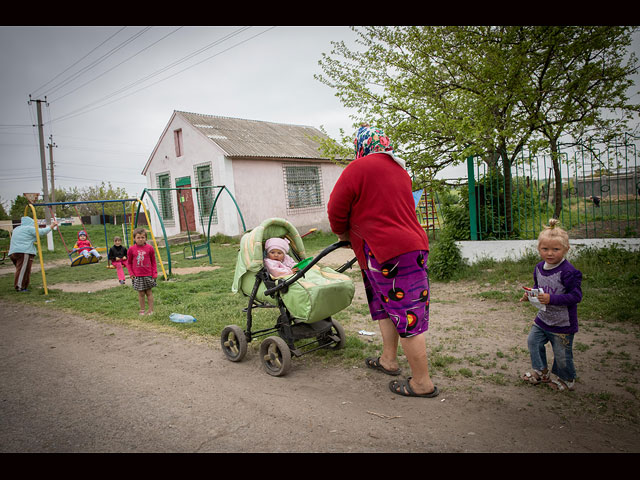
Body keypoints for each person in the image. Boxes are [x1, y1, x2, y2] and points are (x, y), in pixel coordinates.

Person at [327, 123, 438, 398]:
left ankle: (422, 383)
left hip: (387, 254)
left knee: (407, 316)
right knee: (387, 308)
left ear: (361, 146)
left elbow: (335, 210)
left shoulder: (358, 168)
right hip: (406, 249)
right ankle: (388, 360)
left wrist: (342, 232)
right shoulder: (400, 170)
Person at [519, 218, 582, 391]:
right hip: (543, 319)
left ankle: (567, 379)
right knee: (533, 341)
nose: (550, 253)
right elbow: (540, 288)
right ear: (539, 249)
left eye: (556, 249)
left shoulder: (569, 272)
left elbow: (576, 296)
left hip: (562, 323)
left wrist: (551, 299)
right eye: (545, 249)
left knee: (562, 354)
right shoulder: (539, 267)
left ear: (566, 249)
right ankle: (541, 371)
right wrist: (530, 294)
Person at [8, 216, 58, 292]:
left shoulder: (17, 229)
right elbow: (41, 232)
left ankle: (23, 285)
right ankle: (19, 287)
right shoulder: (29, 228)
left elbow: (30, 237)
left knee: (23, 270)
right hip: (23, 252)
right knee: (23, 270)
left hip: (13, 252)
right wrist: (52, 226)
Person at [126, 227, 157, 315]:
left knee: (149, 292)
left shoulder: (150, 248)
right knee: (141, 293)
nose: (140, 239)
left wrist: (154, 273)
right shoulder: (131, 249)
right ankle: (142, 310)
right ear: (134, 238)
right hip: (137, 275)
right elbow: (129, 263)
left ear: (145, 238)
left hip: (148, 274)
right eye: (138, 237)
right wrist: (131, 273)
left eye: (142, 237)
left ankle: (151, 310)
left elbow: (153, 262)